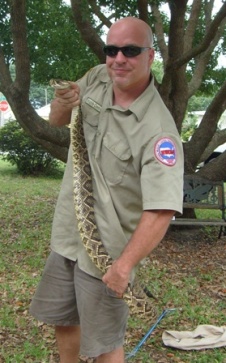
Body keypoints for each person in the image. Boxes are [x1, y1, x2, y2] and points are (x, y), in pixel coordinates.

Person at [30, 17, 184, 363]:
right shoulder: (99, 78)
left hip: (109, 253)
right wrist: (62, 100)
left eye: (130, 51)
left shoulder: (159, 132)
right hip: (68, 234)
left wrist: (124, 267)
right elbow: (57, 120)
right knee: (64, 321)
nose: (118, 59)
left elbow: (161, 210)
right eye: (111, 50)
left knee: (102, 343)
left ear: (150, 55)